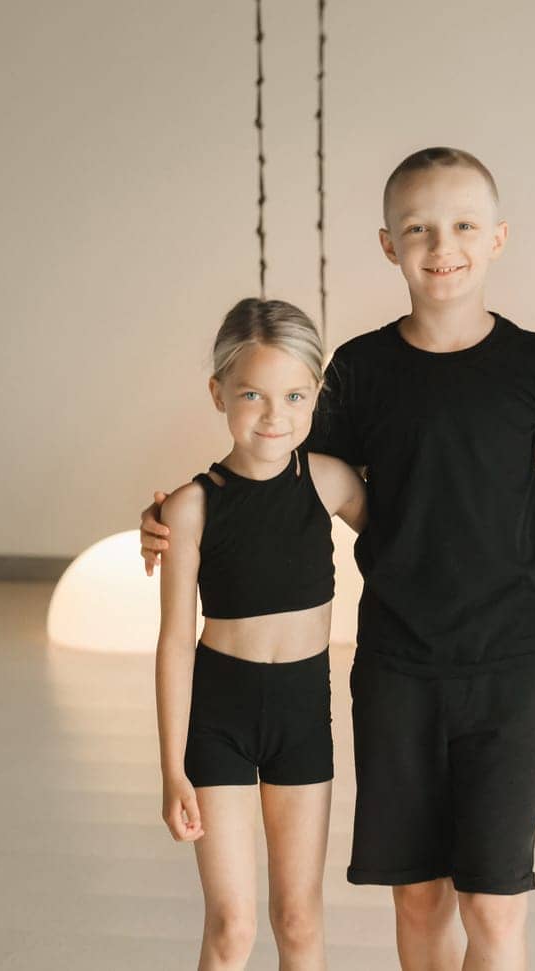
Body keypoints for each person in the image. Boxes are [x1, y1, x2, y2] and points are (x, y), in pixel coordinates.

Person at [145, 148, 535, 971]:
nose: (440, 244)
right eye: (418, 228)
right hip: (396, 666)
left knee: (494, 904)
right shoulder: (359, 371)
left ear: (497, 238)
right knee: (417, 899)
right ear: (389, 245)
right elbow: (284, 474)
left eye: (461, 225)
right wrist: (172, 518)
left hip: (511, 662)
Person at [155, 297, 365, 970]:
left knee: (299, 921)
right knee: (233, 925)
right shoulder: (191, 506)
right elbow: (172, 642)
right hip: (219, 714)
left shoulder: (330, 483)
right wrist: (170, 768)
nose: (275, 415)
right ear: (218, 393)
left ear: (315, 394)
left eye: (295, 394)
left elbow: (414, 538)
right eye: (252, 393)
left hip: (304, 712)